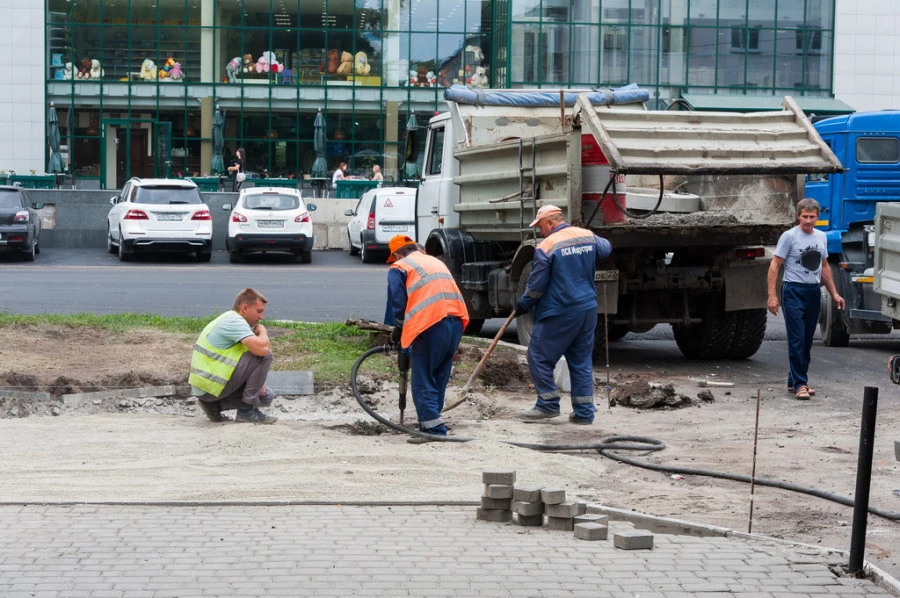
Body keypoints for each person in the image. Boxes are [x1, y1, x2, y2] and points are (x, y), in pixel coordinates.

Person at [514, 205, 613, 425]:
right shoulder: (586, 235)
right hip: (587, 309)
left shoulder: (546, 246)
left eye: (540, 226)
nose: (540, 231)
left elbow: (536, 285)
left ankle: (547, 405)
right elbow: (606, 248)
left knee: (538, 355)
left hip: (560, 311)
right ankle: (584, 413)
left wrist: (523, 304)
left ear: (550, 222)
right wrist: (587, 240)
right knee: (580, 361)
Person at [386, 235, 469, 443]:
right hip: (456, 320)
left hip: (431, 323)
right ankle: (432, 421)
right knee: (439, 372)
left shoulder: (400, 267)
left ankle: (432, 428)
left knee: (422, 375)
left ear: (396, 254)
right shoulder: (434, 260)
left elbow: (398, 302)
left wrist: (399, 327)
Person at [767, 198, 845, 400]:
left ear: (818, 217)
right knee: (797, 338)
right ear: (798, 216)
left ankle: (794, 381)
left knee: (807, 339)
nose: (808, 221)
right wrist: (772, 296)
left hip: (813, 291)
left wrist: (834, 293)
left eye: (812, 217)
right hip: (793, 290)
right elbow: (775, 265)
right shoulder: (789, 236)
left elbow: (824, 266)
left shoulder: (821, 237)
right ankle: (801, 383)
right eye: (804, 216)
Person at [189, 288, 278, 424]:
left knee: (266, 396)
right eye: (259, 311)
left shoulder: (228, 318)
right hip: (211, 385)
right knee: (265, 355)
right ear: (245, 308)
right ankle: (246, 412)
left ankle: (214, 406)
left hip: (205, 387)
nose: (261, 317)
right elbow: (262, 350)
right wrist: (262, 331)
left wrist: (256, 383)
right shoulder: (234, 321)